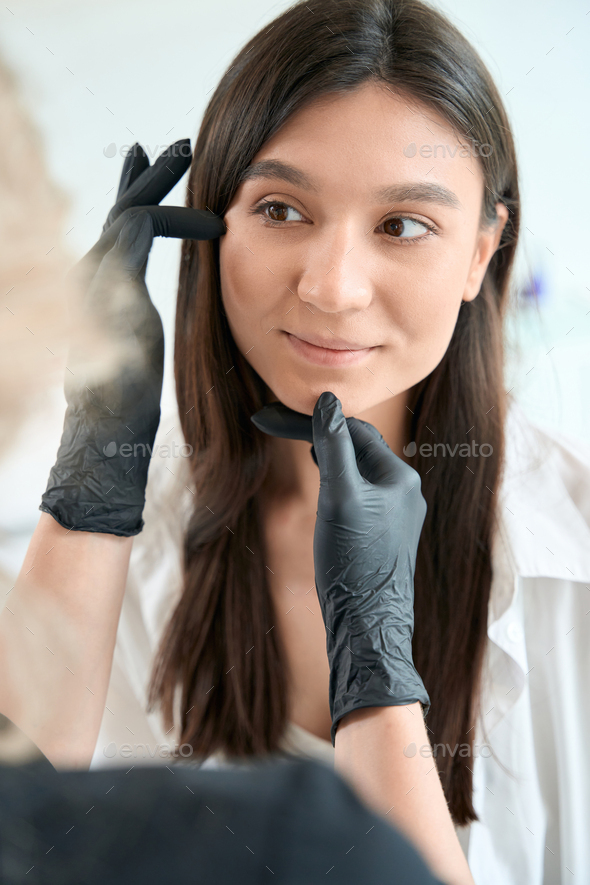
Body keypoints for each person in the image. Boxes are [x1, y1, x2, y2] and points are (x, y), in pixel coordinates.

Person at [2, 1, 590, 883]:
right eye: (280, 209)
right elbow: (18, 828)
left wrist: (375, 654)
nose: (332, 287)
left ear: (481, 249)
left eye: (402, 225)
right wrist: (93, 477)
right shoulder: (103, 553)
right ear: (208, 225)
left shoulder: (571, 548)